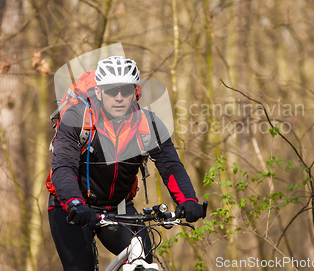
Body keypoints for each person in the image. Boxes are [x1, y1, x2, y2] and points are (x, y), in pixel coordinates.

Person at [48, 56, 204, 271]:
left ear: (135, 92)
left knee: (143, 262)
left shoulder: (148, 124)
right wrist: (75, 203)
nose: (119, 97)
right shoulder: (78, 119)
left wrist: (188, 199)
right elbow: (63, 167)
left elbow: (170, 165)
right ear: (100, 91)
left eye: (126, 90)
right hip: (71, 207)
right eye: (112, 90)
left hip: (118, 207)